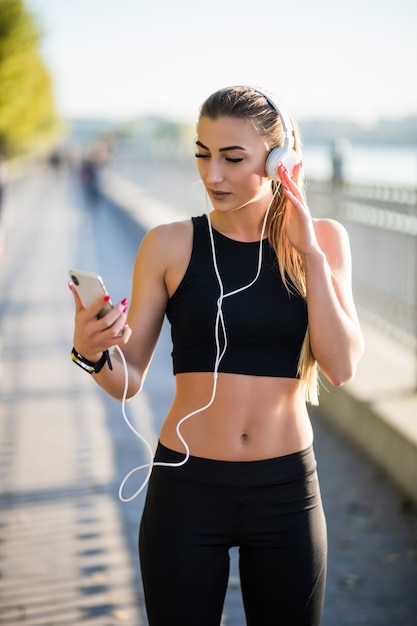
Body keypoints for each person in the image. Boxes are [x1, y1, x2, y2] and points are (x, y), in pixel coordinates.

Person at [69, 86, 364, 626]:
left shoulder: (323, 241)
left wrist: (311, 256)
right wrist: (90, 353)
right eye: (203, 154)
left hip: (286, 494)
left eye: (233, 158)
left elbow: (341, 367)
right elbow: (129, 377)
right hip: (186, 490)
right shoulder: (169, 244)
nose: (213, 176)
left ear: (280, 162)